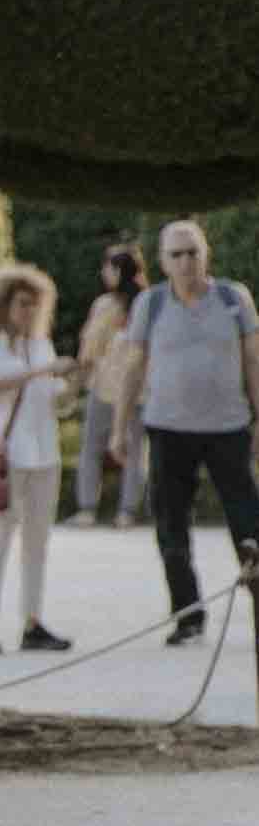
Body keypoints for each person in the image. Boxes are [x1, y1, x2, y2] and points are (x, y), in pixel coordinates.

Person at [130, 218, 259, 643]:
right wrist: (120, 427)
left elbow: (254, 361)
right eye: (176, 254)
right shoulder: (150, 304)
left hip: (228, 428)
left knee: (249, 526)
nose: (186, 262)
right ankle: (188, 617)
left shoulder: (232, 298)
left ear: (206, 254)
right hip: (167, 429)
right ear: (163, 262)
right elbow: (134, 365)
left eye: (193, 252)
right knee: (171, 527)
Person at [0, 264, 76, 656]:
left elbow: (51, 395)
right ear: (2, 303)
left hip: (44, 454)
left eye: (35, 305)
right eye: (22, 304)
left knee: (37, 543)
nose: (29, 312)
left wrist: (70, 384)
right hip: (4, 454)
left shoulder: (38, 343)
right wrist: (40, 371)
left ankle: (33, 621)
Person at [72, 240, 148, 528]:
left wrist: (77, 377)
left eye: (107, 267)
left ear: (116, 270)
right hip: (140, 390)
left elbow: (89, 350)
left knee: (92, 448)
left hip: (103, 388)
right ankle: (127, 512)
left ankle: (87, 510)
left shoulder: (105, 305)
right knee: (135, 452)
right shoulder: (148, 303)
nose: (104, 272)